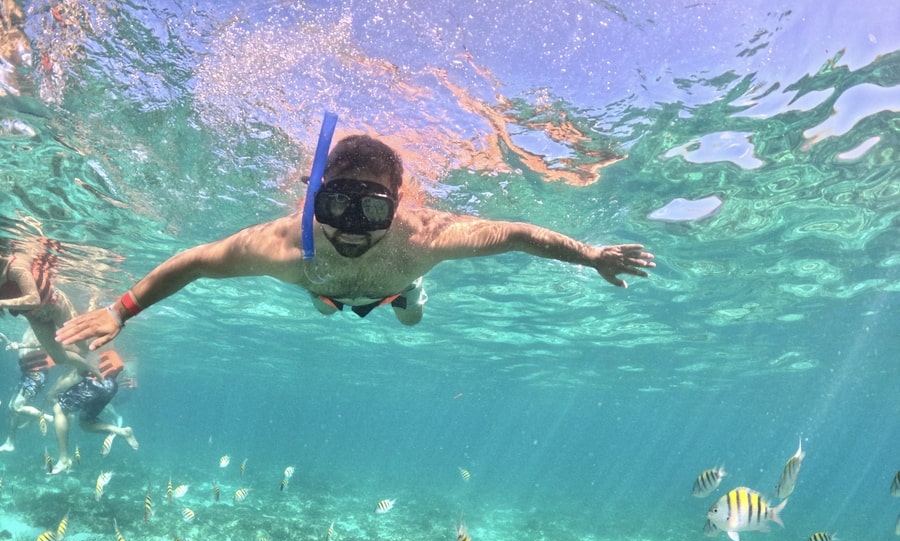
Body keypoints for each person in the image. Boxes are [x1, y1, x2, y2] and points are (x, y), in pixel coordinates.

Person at [56, 134, 654, 349]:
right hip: (322, 285)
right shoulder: (283, 243)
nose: (348, 226)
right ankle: (338, 298)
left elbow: (518, 235)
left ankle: (407, 295)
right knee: (322, 303)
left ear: (398, 206)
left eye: (371, 209)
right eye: (335, 204)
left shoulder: (424, 237)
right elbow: (193, 263)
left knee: (410, 319)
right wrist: (121, 310)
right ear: (313, 197)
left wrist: (590, 254)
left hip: (396, 283)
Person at [1, 236, 94, 372]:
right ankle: (90, 369)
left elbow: (33, 299)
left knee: (84, 345)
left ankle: (95, 314)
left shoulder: (16, 266)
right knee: (59, 358)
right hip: (35, 317)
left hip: (55, 304)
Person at [50, 348, 139, 474]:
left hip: (94, 383)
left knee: (58, 409)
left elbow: (74, 376)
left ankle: (63, 458)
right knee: (85, 423)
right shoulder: (100, 344)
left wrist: (53, 393)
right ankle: (122, 432)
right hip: (111, 386)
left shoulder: (76, 347)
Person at [0, 327, 56, 452]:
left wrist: (18, 345)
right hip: (27, 374)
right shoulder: (31, 326)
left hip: (36, 374)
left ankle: (50, 419)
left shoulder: (41, 326)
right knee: (12, 408)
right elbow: (22, 348)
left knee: (17, 407)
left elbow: (40, 345)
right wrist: (5, 339)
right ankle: (10, 442)